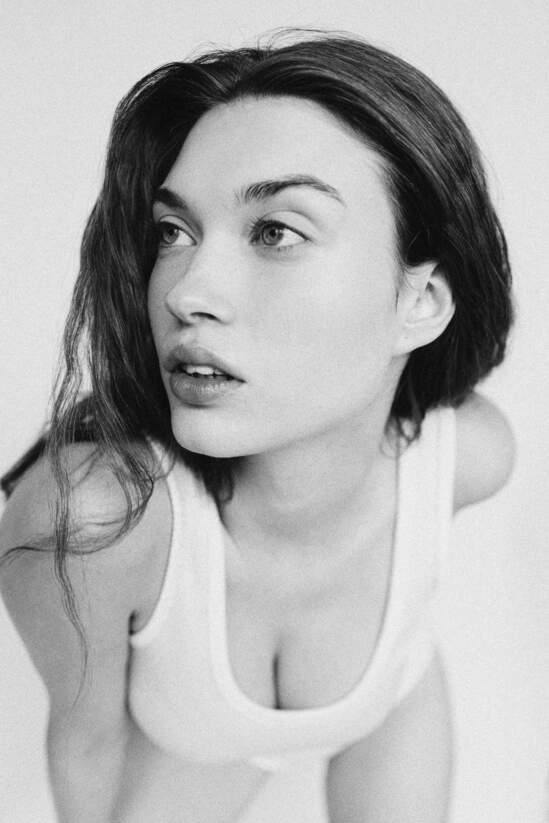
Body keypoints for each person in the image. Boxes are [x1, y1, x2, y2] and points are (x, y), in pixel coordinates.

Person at [0, 27, 515, 823]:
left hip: (387, 698)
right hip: (200, 741)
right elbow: (85, 745)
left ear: (420, 302)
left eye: (276, 231)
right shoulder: (91, 523)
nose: (185, 292)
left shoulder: (471, 456)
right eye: (172, 232)